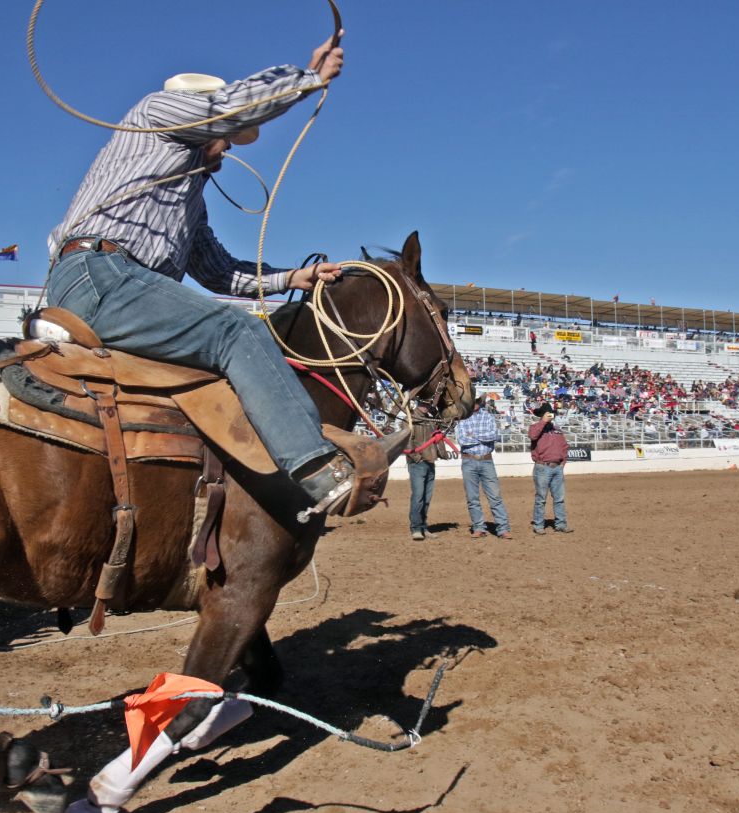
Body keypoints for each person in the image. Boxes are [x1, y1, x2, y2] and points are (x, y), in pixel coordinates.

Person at [44, 32, 405, 516]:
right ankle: (317, 468)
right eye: (227, 139)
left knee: (216, 357)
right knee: (238, 332)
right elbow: (226, 110)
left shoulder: (189, 203)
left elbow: (218, 272)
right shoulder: (157, 112)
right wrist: (307, 78)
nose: (229, 148)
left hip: (114, 283)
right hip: (101, 274)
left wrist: (290, 279)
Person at [455, 395, 511, 538]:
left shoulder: (488, 417)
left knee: (495, 496)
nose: (474, 403)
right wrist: (482, 437)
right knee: (472, 497)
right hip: (469, 460)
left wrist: (473, 435)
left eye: (476, 401)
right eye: (472, 401)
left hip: (485, 460)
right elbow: (462, 440)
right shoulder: (462, 418)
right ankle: (479, 527)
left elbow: (494, 435)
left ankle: (503, 528)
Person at [404, 403, 451, 541]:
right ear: (417, 403)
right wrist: (417, 458)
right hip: (418, 463)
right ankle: (416, 528)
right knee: (418, 497)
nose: (426, 406)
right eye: (423, 403)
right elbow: (407, 440)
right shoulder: (410, 419)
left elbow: (444, 426)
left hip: (430, 461)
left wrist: (436, 412)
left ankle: (423, 527)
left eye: (428, 404)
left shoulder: (430, 419)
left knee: (426, 498)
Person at [529, 402, 572, 534]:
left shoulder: (557, 430)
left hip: (557, 467)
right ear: (542, 415)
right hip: (543, 466)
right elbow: (532, 436)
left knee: (559, 498)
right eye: (547, 414)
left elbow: (564, 446)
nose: (550, 416)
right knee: (541, 498)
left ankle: (560, 524)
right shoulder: (535, 427)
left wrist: (563, 462)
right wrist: (543, 422)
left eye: (551, 414)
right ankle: (538, 525)